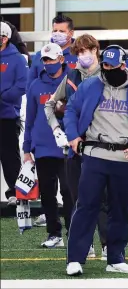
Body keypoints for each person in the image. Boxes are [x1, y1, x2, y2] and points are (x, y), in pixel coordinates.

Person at [64, 45, 128, 276]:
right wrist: (72, 136)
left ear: (123, 65)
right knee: (86, 206)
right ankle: (75, 259)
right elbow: (71, 110)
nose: (108, 70)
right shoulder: (90, 85)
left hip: (125, 156)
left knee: (119, 209)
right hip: (95, 154)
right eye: (105, 65)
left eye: (113, 66)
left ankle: (116, 258)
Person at [44, 34, 108, 260]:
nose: (83, 56)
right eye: (79, 52)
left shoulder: (108, 74)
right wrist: (56, 130)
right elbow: (50, 105)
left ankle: (108, 243)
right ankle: (85, 244)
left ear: (96, 50)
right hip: (74, 146)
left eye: (86, 51)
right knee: (78, 198)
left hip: (102, 146)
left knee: (103, 197)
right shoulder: (71, 76)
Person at [23, 43, 73, 248]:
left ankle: (74, 233)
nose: (48, 63)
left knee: (69, 193)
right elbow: (30, 119)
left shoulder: (73, 82)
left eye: (52, 59)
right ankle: (54, 234)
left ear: (61, 59)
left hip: (68, 147)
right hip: (42, 147)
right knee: (47, 194)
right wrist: (27, 149)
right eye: (45, 60)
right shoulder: (35, 85)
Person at [0, 21, 27, 206]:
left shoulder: (17, 58)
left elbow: (22, 86)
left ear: (6, 38)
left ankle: (15, 191)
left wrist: (3, 97)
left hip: (7, 115)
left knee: (9, 155)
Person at [27, 14, 77, 90]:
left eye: (61, 31)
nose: (57, 34)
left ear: (71, 33)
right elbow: (30, 87)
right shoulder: (39, 56)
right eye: (55, 31)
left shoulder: (80, 55)